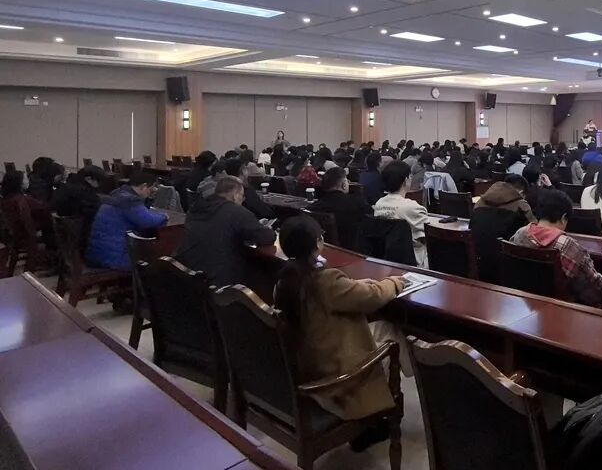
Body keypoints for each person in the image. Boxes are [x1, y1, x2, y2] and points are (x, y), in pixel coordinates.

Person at [272, 215, 403, 445]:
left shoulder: (285, 281)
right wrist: (395, 282)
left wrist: (357, 284)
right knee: (391, 332)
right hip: (336, 378)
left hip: (310, 364)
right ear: (317, 243)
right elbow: (373, 297)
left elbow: (343, 292)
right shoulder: (323, 281)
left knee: (379, 329)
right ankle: (384, 411)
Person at [509, 190, 602, 308]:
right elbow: (597, 289)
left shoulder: (520, 234)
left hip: (525, 303)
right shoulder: (567, 245)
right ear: (563, 217)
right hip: (562, 308)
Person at [175, 176, 276, 287]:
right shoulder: (236, 211)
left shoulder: (195, 208)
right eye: (242, 196)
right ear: (235, 195)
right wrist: (263, 227)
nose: (242, 200)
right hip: (217, 283)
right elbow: (267, 237)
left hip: (186, 275)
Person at [87, 173, 168, 271]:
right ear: (143, 186)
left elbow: (140, 213)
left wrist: (148, 199)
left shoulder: (117, 194)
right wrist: (163, 216)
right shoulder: (129, 201)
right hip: (116, 258)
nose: (153, 191)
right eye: (151, 189)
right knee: (154, 265)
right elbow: (147, 221)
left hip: (97, 253)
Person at [374, 161, 430, 266]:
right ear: (406, 180)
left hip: (386, 259)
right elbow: (430, 233)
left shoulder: (379, 204)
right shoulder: (413, 207)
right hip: (414, 260)